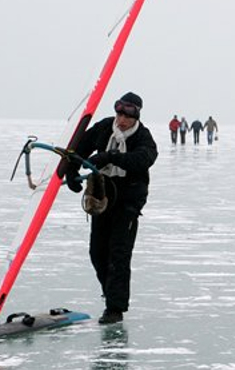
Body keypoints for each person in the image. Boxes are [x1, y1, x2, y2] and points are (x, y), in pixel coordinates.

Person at [65, 92, 158, 324]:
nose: (122, 119)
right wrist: (71, 171)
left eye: (128, 115)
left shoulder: (144, 138)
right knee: (97, 252)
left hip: (128, 202)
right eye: (119, 112)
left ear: (136, 116)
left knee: (118, 254)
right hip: (102, 197)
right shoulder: (104, 127)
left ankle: (115, 308)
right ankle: (111, 293)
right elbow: (79, 148)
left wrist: (109, 157)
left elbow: (142, 160)